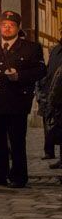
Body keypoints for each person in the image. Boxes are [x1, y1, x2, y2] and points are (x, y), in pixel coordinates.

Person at [0, 11, 46, 188]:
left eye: (11, 25)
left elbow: (40, 71)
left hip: (16, 101)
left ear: (18, 28)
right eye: (4, 24)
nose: (7, 28)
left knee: (16, 141)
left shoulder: (30, 48)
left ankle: (18, 176)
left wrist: (20, 76)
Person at [38, 38, 62, 166]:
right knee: (54, 125)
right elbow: (49, 71)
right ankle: (52, 153)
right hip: (54, 94)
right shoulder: (56, 50)